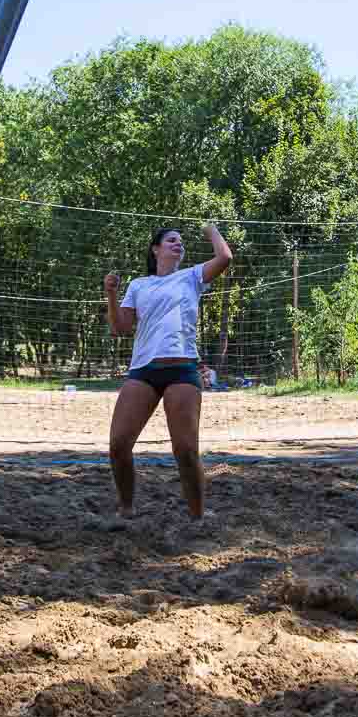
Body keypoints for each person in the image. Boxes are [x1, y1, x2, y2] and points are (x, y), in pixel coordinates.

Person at [103, 223, 232, 525]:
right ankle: (126, 508)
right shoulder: (139, 285)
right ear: (156, 249)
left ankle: (198, 516)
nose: (178, 244)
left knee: (185, 450)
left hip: (182, 369)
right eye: (171, 240)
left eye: (181, 241)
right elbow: (119, 328)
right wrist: (111, 293)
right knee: (118, 444)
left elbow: (224, 257)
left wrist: (211, 229)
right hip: (143, 371)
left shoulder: (191, 277)